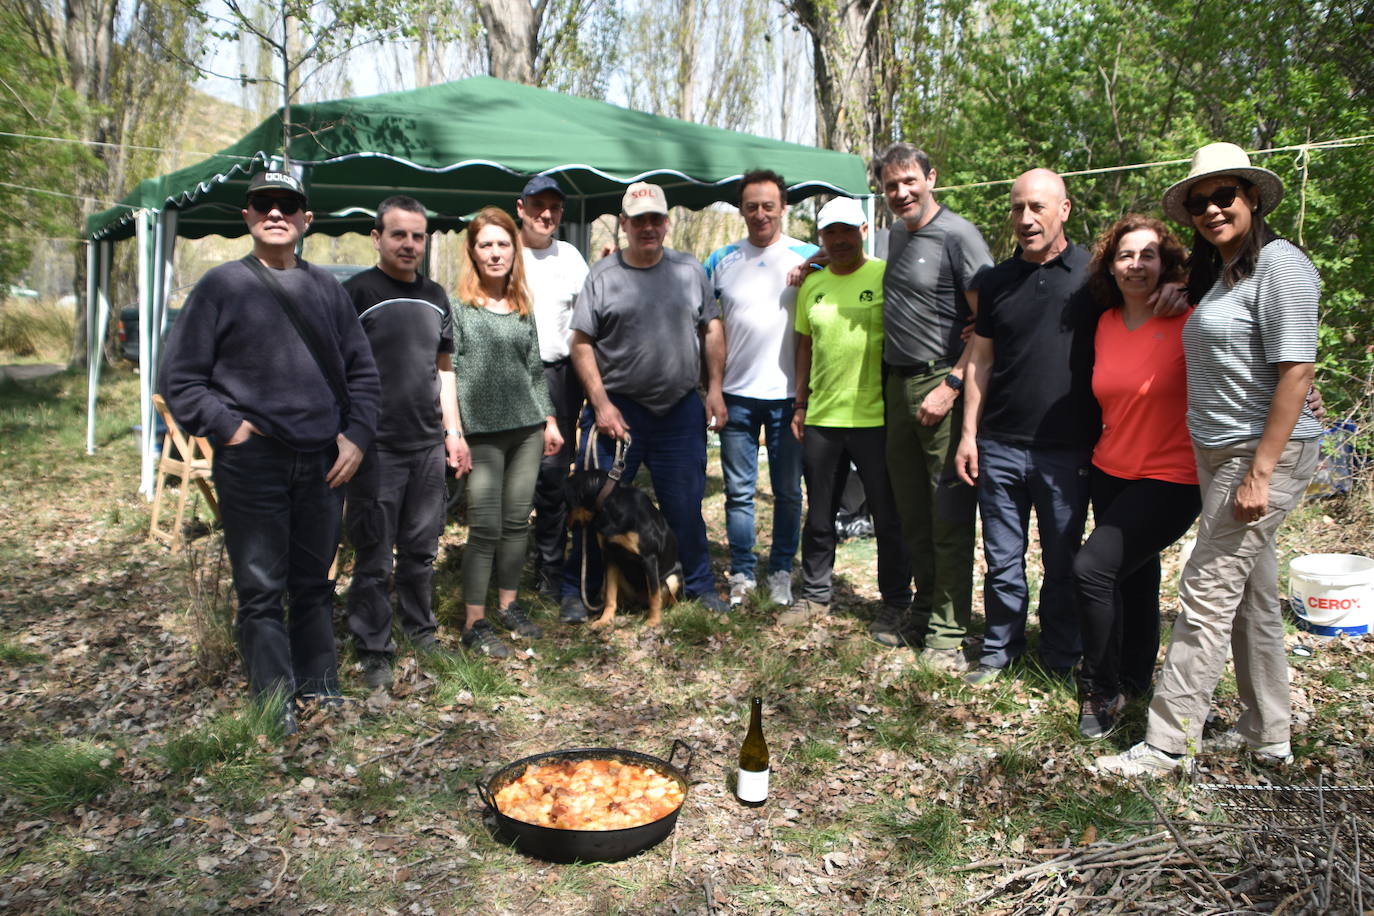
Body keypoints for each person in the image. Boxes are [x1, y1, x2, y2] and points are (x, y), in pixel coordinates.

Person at [1098, 143, 1322, 775]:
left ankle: (1168, 744)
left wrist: (1260, 471)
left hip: (1260, 453)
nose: (1213, 209)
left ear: (1251, 197)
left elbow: (1298, 369)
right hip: (1217, 451)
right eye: (1199, 203)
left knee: (1205, 592)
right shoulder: (1223, 276)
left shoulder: (1284, 265)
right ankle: (1267, 732)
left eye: (1225, 196)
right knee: (1251, 595)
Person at [160, 170, 381, 734]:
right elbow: (181, 379)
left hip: (322, 463)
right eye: (264, 204)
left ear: (307, 220)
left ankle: (319, 684)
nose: (276, 213)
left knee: (314, 583)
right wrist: (228, 429)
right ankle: (272, 698)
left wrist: (356, 436)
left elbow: (364, 374)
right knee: (260, 588)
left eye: (288, 205)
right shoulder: (221, 287)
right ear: (248, 218)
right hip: (253, 461)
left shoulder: (328, 290)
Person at [954, 169, 1099, 687]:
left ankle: (1061, 655)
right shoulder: (996, 280)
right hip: (999, 445)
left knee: (1064, 561)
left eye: (1037, 207)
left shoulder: (1094, 275)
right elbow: (981, 360)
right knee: (1002, 560)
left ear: (1064, 209)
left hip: (1067, 448)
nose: (1025, 218)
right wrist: (969, 434)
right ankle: (1001, 648)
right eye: (1017, 208)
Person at [561, 181, 729, 618]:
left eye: (656, 218)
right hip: (619, 413)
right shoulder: (602, 276)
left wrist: (713, 389)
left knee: (685, 507)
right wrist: (599, 403)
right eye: (639, 221)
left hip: (679, 412)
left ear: (667, 222)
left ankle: (700, 587)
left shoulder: (690, 271)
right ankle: (580, 592)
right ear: (624, 224)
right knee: (595, 507)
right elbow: (581, 343)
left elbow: (711, 329)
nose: (648, 227)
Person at [1071, 215, 1200, 738]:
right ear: (1111, 264)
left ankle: (1100, 688)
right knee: (1136, 577)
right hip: (1111, 469)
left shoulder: (1191, 317)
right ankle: (1134, 676)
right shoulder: (1103, 322)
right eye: (1126, 255)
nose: (1136, 264)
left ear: (1166, 264)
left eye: (1148, 255)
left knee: (1092, 569)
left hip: (1173, 476)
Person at [872, 143, 993, 665]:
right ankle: (923, 609)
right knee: (911, 512)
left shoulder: (958, 236)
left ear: (931, 177)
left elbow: (989, 323)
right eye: (891, 185)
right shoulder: (897, 233)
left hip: (940, 384)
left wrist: (952, 384)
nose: (901, 193)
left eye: (909, 182)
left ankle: (948, 630)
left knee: (947, 514)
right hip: (896, 388)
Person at [343, 195, 470, 690]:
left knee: (421, 549)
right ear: (377, 238)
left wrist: (453, 433)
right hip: (374, 448)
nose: (410, 244)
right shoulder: (354, 294)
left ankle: (420, 628)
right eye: (399, 234)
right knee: (373, 555)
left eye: (418, 236)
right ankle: (373, 646)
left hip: (426, 445)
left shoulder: (436, 296)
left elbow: (445, 371)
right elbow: (338, 372)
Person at [790, 196, 912, 625]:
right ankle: (815, 596)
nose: (839, 239)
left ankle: (896, 601)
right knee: (820, 514)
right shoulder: (812, 284)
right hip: (823, 417)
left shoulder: (885, 274)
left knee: (888, 515)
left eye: (847, 230)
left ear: (864, 231)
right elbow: (804, 346)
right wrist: (800, 403)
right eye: (830, 232)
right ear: (820, 238)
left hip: (876, 418)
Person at [452, 206, 564, 658]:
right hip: (480, 433)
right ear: (473, 252)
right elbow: (449, 371)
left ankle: (509, 605)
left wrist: (550, 419)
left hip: (527, 431)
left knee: (517, 523)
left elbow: (535, 370)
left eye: (502, 244)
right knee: (484, 527)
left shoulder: (521, 305)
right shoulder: (457, 307)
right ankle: (474, 622)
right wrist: (453, 431)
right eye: (486, 245)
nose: (495, 253)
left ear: (513, 251)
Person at [703, 169, 816, 608]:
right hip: (735, 395)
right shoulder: (721, 261)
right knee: (739, 492)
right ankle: (744, 574)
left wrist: (812, 265)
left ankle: (782, 571)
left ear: (783, 207)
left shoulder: (808, 255)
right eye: (751, 206)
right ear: (741, 210)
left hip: (790, 398)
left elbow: (848, 254)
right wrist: (710, 388)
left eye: (769, 205)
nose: (760, 214)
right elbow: (707, 326)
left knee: (789, 491)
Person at [518, 176, 590, 605]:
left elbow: (589, 321)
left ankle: (549, 567)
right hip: (509, 376)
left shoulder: (571, 257)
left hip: (559, 378)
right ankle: (501, 563)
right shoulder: (502, 250)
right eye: (538, 205)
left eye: (555, 208)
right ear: (521, 207)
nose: (546, 214)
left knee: (550, 476)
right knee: (510, 475)